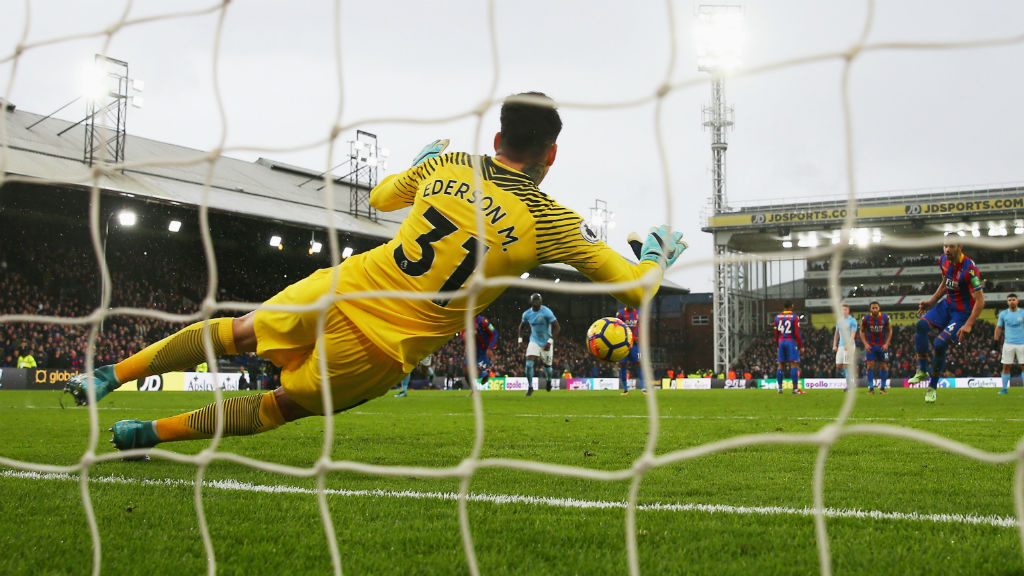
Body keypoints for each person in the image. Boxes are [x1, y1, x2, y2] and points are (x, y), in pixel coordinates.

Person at [62, 91, 688, 454]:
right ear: (552, 154)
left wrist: (420, 164)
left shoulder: (450, 166)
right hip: (383, 343)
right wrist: (658, 254)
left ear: (496, 137)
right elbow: (635, 287)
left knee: (236, 333)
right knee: (277, 406)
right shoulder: (550, 217)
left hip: (351, 280)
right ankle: (148, 432)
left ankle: (109, 374)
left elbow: (383, 198)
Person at [909, 233, 985, 403]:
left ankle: (932, 388)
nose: (947, 249)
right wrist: (931, 301)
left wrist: (969, 325)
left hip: (961, 313)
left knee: (939, 344)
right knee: (921, 325)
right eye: (945, 246)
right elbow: (945, 283)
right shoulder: (943, 260)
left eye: (951, 246)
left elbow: (980, 301)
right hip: (946, 305)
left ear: (960, 247)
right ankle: (922, 371)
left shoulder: (970, 270)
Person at [519, 293, 560, 395]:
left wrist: (550, 342)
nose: (537, 302)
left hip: (547, 342)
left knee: (548, 367)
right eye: (535, 300)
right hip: (534, 341)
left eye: (539, 300)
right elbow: (521, 327)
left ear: (541, 301)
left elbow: (557, 327)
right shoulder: (527, 314)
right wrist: (520, 341)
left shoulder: (546, 312)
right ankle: (530, 387)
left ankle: (549, 380)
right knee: (529, 364)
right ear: (531, 302)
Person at [859, 301, 892, 394]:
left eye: (876, 307)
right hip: (871, 346)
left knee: (884, 366)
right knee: (870, 365)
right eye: (873, 308)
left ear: (879, 308)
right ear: (870, 309)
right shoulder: (865, 319)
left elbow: (890, 331)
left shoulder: (886, 317)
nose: (874, 309)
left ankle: (882, 388)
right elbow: (861, 331)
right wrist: (865, 344)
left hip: (883, 346)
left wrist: (887, 344)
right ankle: (871, 388)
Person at [994, 293, 1024, 395]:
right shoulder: (1003, 314)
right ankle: (1004, 389)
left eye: (1013, 299)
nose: (1011, 301)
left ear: (1017, 301)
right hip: (1008, 344)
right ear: (1007, 302)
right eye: (1010, 300)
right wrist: (996, 341)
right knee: (1006, 366)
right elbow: (998, 328)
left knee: (1023, 366)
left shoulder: (1023, 313)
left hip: (1022, 343)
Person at [774, 301, 804, 394]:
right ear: (791, 306)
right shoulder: (794, 317)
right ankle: (795, 389)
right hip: (791, 341)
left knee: (780, 364)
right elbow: (796, 333)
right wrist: (801, 346)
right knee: (794, 364)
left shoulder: (777, 317)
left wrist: (777, 345)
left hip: (781, 341)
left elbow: (776, 333)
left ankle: (780, 388)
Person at [617, 305, 645, 395]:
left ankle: (644, 388)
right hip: (623, 345)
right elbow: (616, 328)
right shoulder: (620, 314)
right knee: (622, 366)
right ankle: (625, 389)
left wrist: (640, 338)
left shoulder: (638, 313)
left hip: (635, 345)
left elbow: (640, 327)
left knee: (640, 364)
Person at [832, 303, 858, 379]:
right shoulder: (839, 321)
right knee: (838, 366)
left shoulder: (852, 320)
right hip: (841, 345)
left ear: (848, 310)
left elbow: (853, 334)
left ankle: (849, 384)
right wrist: (834, 345)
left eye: (845, 309)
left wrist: (849, 344)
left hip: (850, 345)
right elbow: (836, 333)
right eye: (842, 310)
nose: (844, 311)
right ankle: (851, 376)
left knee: (847, 365)